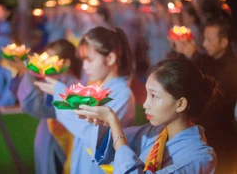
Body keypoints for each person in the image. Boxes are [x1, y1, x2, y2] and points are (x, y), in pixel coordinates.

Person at [74, 59, 219, 173]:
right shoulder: (153, 132)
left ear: (180, 104)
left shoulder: (201, 157)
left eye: (154, 96)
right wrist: (104, 122)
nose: (145, 104)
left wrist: (113, 120)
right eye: (147, 94)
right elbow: (109, 146)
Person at [34, 27, 135, 174]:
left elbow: (89, 132)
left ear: (110, 58)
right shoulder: (99, 86)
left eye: (90, 60)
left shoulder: (122, 95)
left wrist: (61, 92)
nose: (85, 66)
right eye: (83, 60)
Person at [7, 39, 81, 174]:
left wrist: (26, 72)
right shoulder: (52, 79)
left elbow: (40, 107)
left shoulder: (73, 85)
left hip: (59, 136)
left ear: (66, 63)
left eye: (51, 59)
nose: (45, 63)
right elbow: (19, 95)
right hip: (46, 131)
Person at [200, 19, 237, 173]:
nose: (204, 44)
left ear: (224, 42)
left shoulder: (231, 67)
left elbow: (217, 101)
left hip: (223, 135)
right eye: (204, 39)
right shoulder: (212, 60)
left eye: (209, 40)